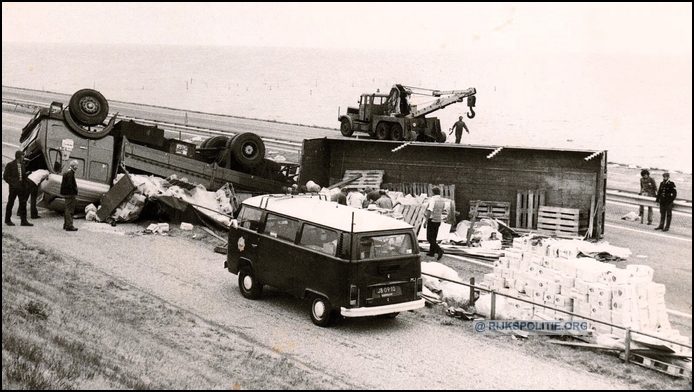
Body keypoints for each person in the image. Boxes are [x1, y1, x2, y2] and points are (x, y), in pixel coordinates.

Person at [3, 150, 33, 226]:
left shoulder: (22, 165)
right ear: (18, 157)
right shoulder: (10, 165)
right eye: (22, 156)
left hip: (22, 187)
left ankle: (24, 221)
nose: (23, 157)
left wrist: (26, 184)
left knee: (23, 203)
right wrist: (12, 183)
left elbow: (23, 176)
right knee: (11, 203)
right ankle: (7, 219)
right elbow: (5, 176)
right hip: (13, 188)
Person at [423, 186, 446, 260]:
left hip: (432, 219)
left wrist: (426, 220)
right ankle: (431, 252)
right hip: (438, 220)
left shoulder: (433, 199)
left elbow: (430, 210)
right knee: (434, 237)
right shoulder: (442, 200)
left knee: (429, 238)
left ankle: (439, 250)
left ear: (433, 192)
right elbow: (443, 209)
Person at [60, 160, 79, 232]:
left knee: (67, 209)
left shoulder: (67, 172)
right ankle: (69, 225)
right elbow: (70, 185)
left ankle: (66, 224)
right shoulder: (71, 173)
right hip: (70, 194)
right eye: (76, 166)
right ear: (74, 166)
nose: (77, 167)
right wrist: (74, 191)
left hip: (66, 194)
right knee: (70, 209)